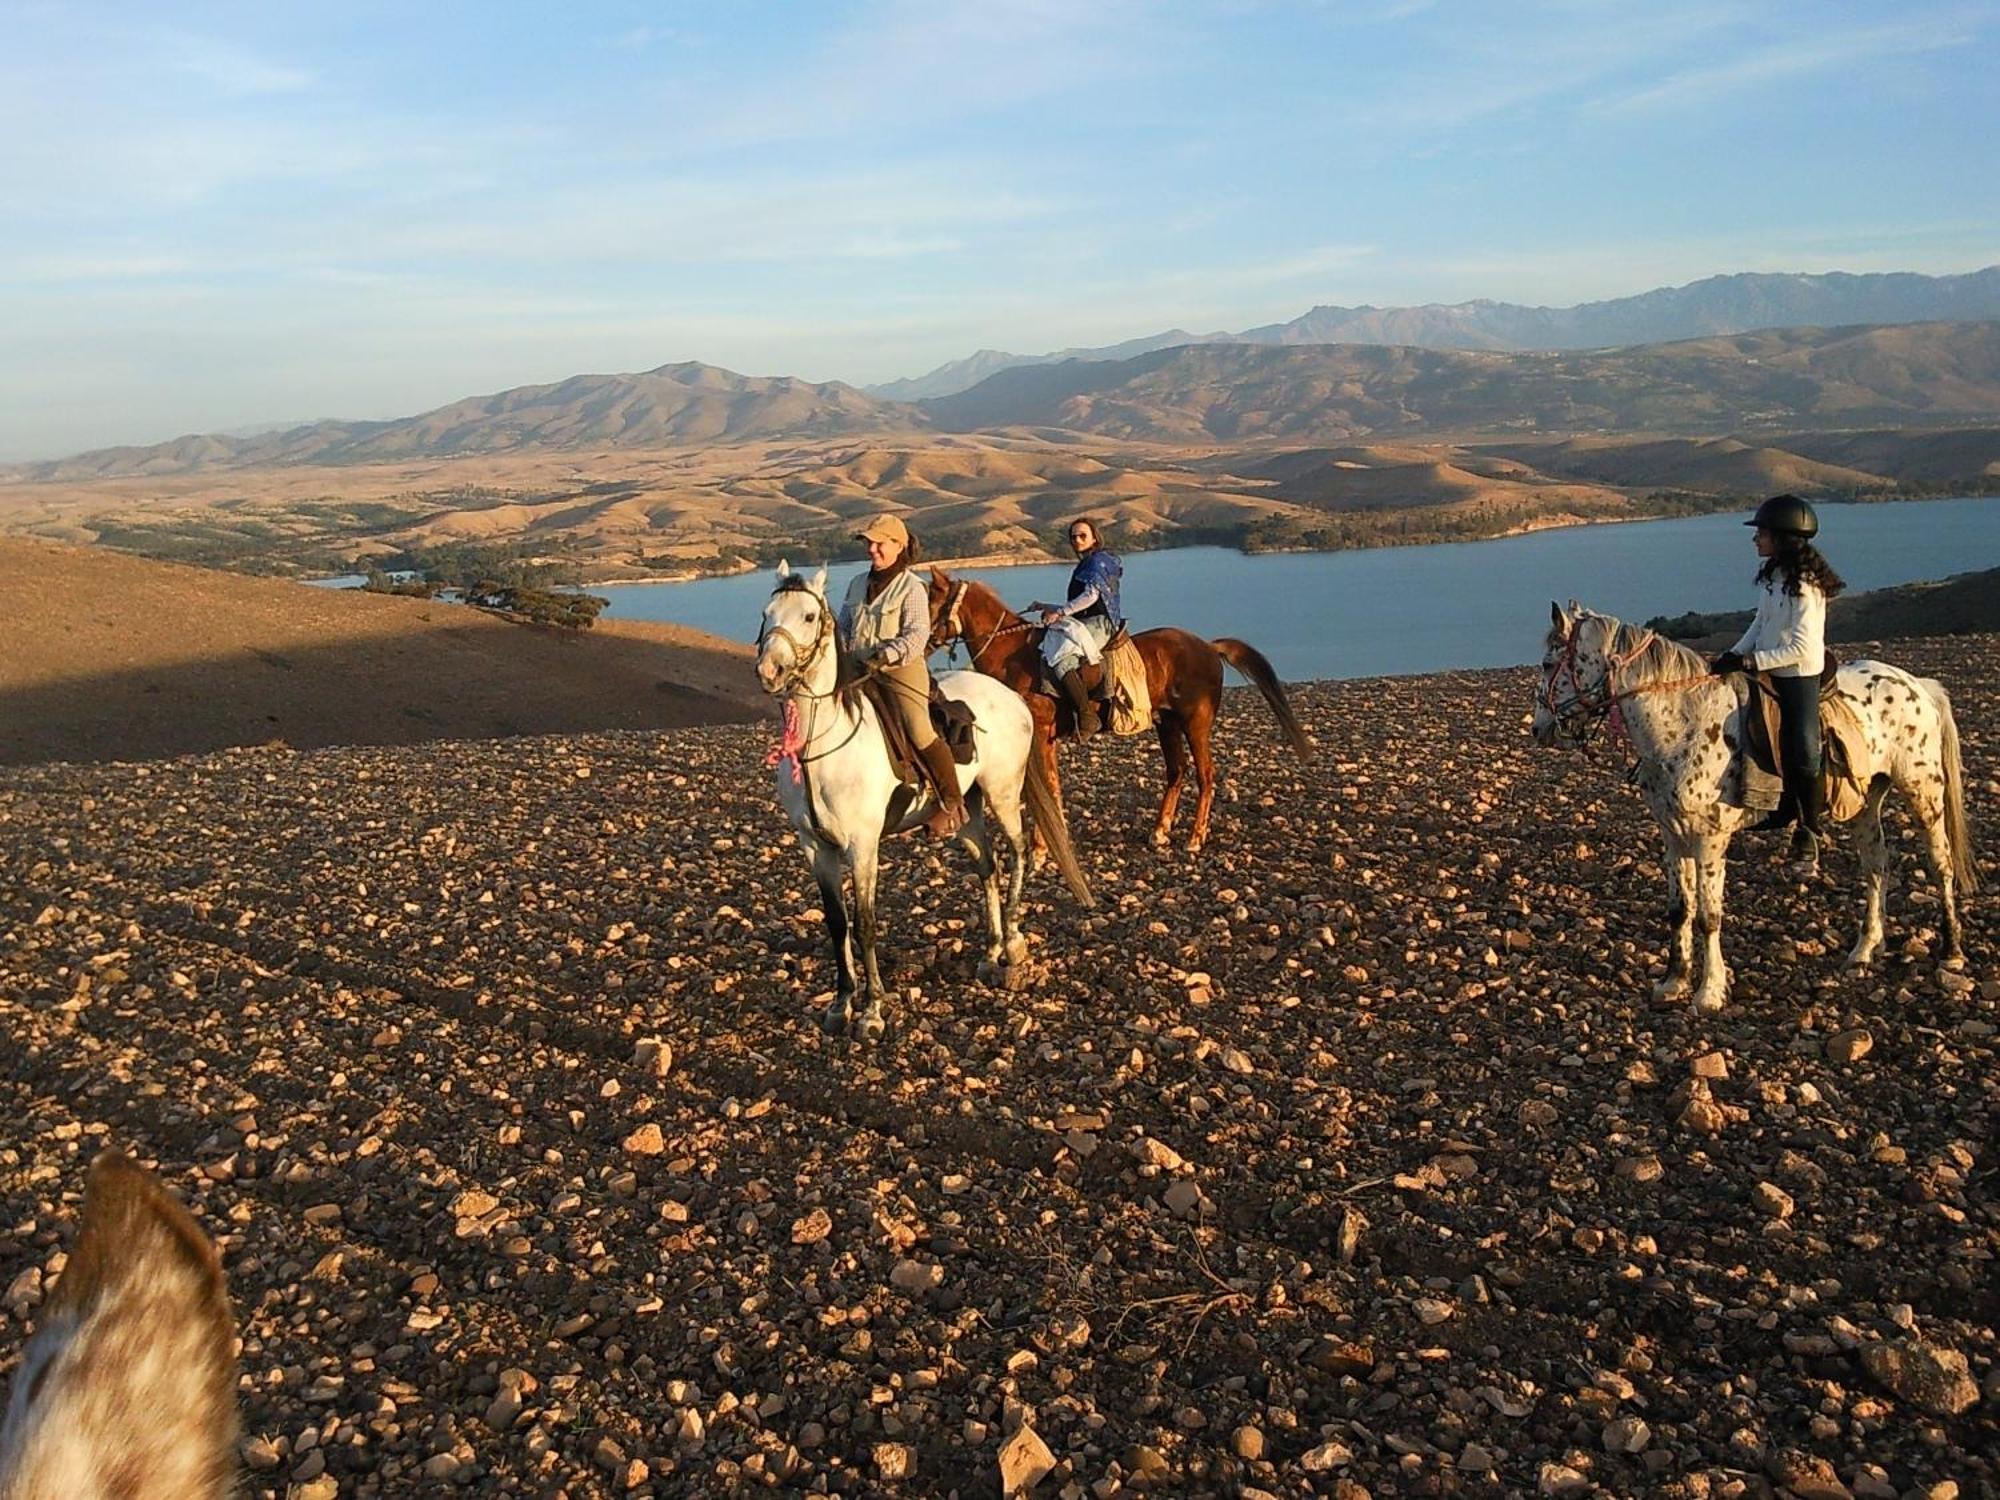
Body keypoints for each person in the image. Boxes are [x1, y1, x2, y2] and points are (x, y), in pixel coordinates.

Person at [1709, 494, 1846, 875]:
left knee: (1803, 747)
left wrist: (1751, 661)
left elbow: (1801, 647)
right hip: (1768, 667)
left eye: (1763, 533)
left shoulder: (1805, 585)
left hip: (1799, 674)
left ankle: (1810, 829)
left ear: (1784, 537)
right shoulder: (1774, 577)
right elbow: (1760, 624)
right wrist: (1731, 655)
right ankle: (1770, 803)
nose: (1756, 540)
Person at [838, 514, 967, 838]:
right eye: (869, 542)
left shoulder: (912, 588)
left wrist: (886, 654)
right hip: (857, 667)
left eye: (880, 543)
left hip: (899, 669)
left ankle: (951, 802)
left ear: (899, 546)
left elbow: (916, 635)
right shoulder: (856, 583)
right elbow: (844, 626)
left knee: (918, 727)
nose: (872, 549)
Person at [1028, 517, 1124, 742]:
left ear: (1094, 537)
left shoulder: (1097, 562)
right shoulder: (1087, 563)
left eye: (1083, 535)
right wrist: (1047, 607)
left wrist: (1059, 613)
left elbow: (1091, 597)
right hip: (1084, 621)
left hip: (1099, 623)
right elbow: (1077, 606)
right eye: (1074, 537)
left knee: (1062, 660)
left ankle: (1087, 716)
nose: (1077, 540)